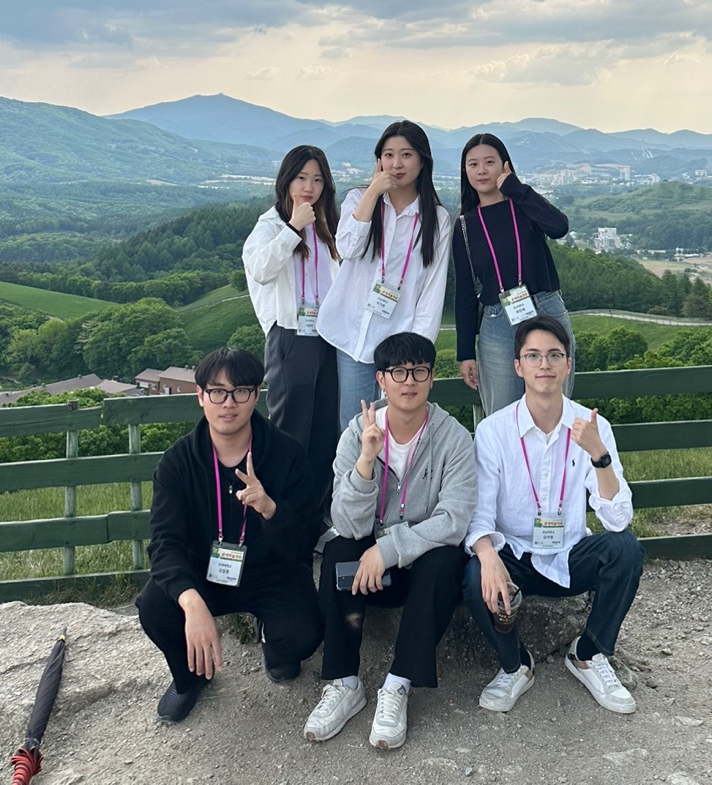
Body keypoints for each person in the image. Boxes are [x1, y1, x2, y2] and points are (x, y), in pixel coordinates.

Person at [304, 331, 477, 750]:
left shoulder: (453, 437)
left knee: (446, 560)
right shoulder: (356, 434)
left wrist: (388, 549)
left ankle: (398, 684)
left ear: (432, 377)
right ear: (380, 379)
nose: (409, 381)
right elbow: (346, 524)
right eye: (398, 372)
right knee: (338, 550)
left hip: (419, 570)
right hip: (369, 574)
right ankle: (344, 683)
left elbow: (454, 520)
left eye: (419, 371)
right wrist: (366, 461)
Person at [463, 316, 644, 715]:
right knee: (475, 573)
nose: (543, 364)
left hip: (569, 554)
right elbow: (479, 514)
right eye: (533, 356)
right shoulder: (494, 431)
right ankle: (515, 664)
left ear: (567, 364)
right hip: (516, 557)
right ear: (518, 366)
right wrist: (488, 556)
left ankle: (588, 653)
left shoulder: (593, 427)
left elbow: (617, 521)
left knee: (626, 549)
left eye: (554, 355)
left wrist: (598, 454)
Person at [136, 347, 322, 724]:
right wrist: (191, 602)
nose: (228, 403)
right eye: (217, 392)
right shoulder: (177, 463)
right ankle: (191, 677)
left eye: (240, 391)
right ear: (200, 396)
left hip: (272, 571)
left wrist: (271, 510)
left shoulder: (286, 454)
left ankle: (272, 640)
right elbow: (165, 544)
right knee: (155, 606)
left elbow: (304, 540)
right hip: (203, 572)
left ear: (257, 394)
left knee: (304, 632)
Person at [318, 120, 451, 430]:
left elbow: (432, 290)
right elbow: (347, 248)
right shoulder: (358, 200)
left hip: (400, 339)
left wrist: (416, 350)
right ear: (378, 160)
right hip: (353, 334)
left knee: (399, 426)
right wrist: (373, 192)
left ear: (422, 161)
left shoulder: (436, 219)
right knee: (354, 427)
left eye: (406, 155)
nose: (396, 164)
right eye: (388, 155)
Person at [243, 145, 340, 517]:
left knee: (325, 433)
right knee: (290, 432)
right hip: (290, 337)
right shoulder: (270, 225)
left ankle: (316, 519)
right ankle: (280, 516)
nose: (308, 187)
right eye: (301, 178)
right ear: (286, 180)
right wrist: (292, 228)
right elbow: (260, 270)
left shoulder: (327, 225)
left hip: (328, 337)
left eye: (317, 180)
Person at [454, 132, 577, 417]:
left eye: (489, 162)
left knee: (555, 411)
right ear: (465, 171)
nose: (482, 170)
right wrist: (465, 352)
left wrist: (517, 189)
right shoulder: (465, 226)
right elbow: (464, 292)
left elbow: (559, 227)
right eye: (473, 164)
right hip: (497, 322)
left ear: (505, 165)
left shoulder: (525, 206)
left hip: (546, 309)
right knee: (502, 417)